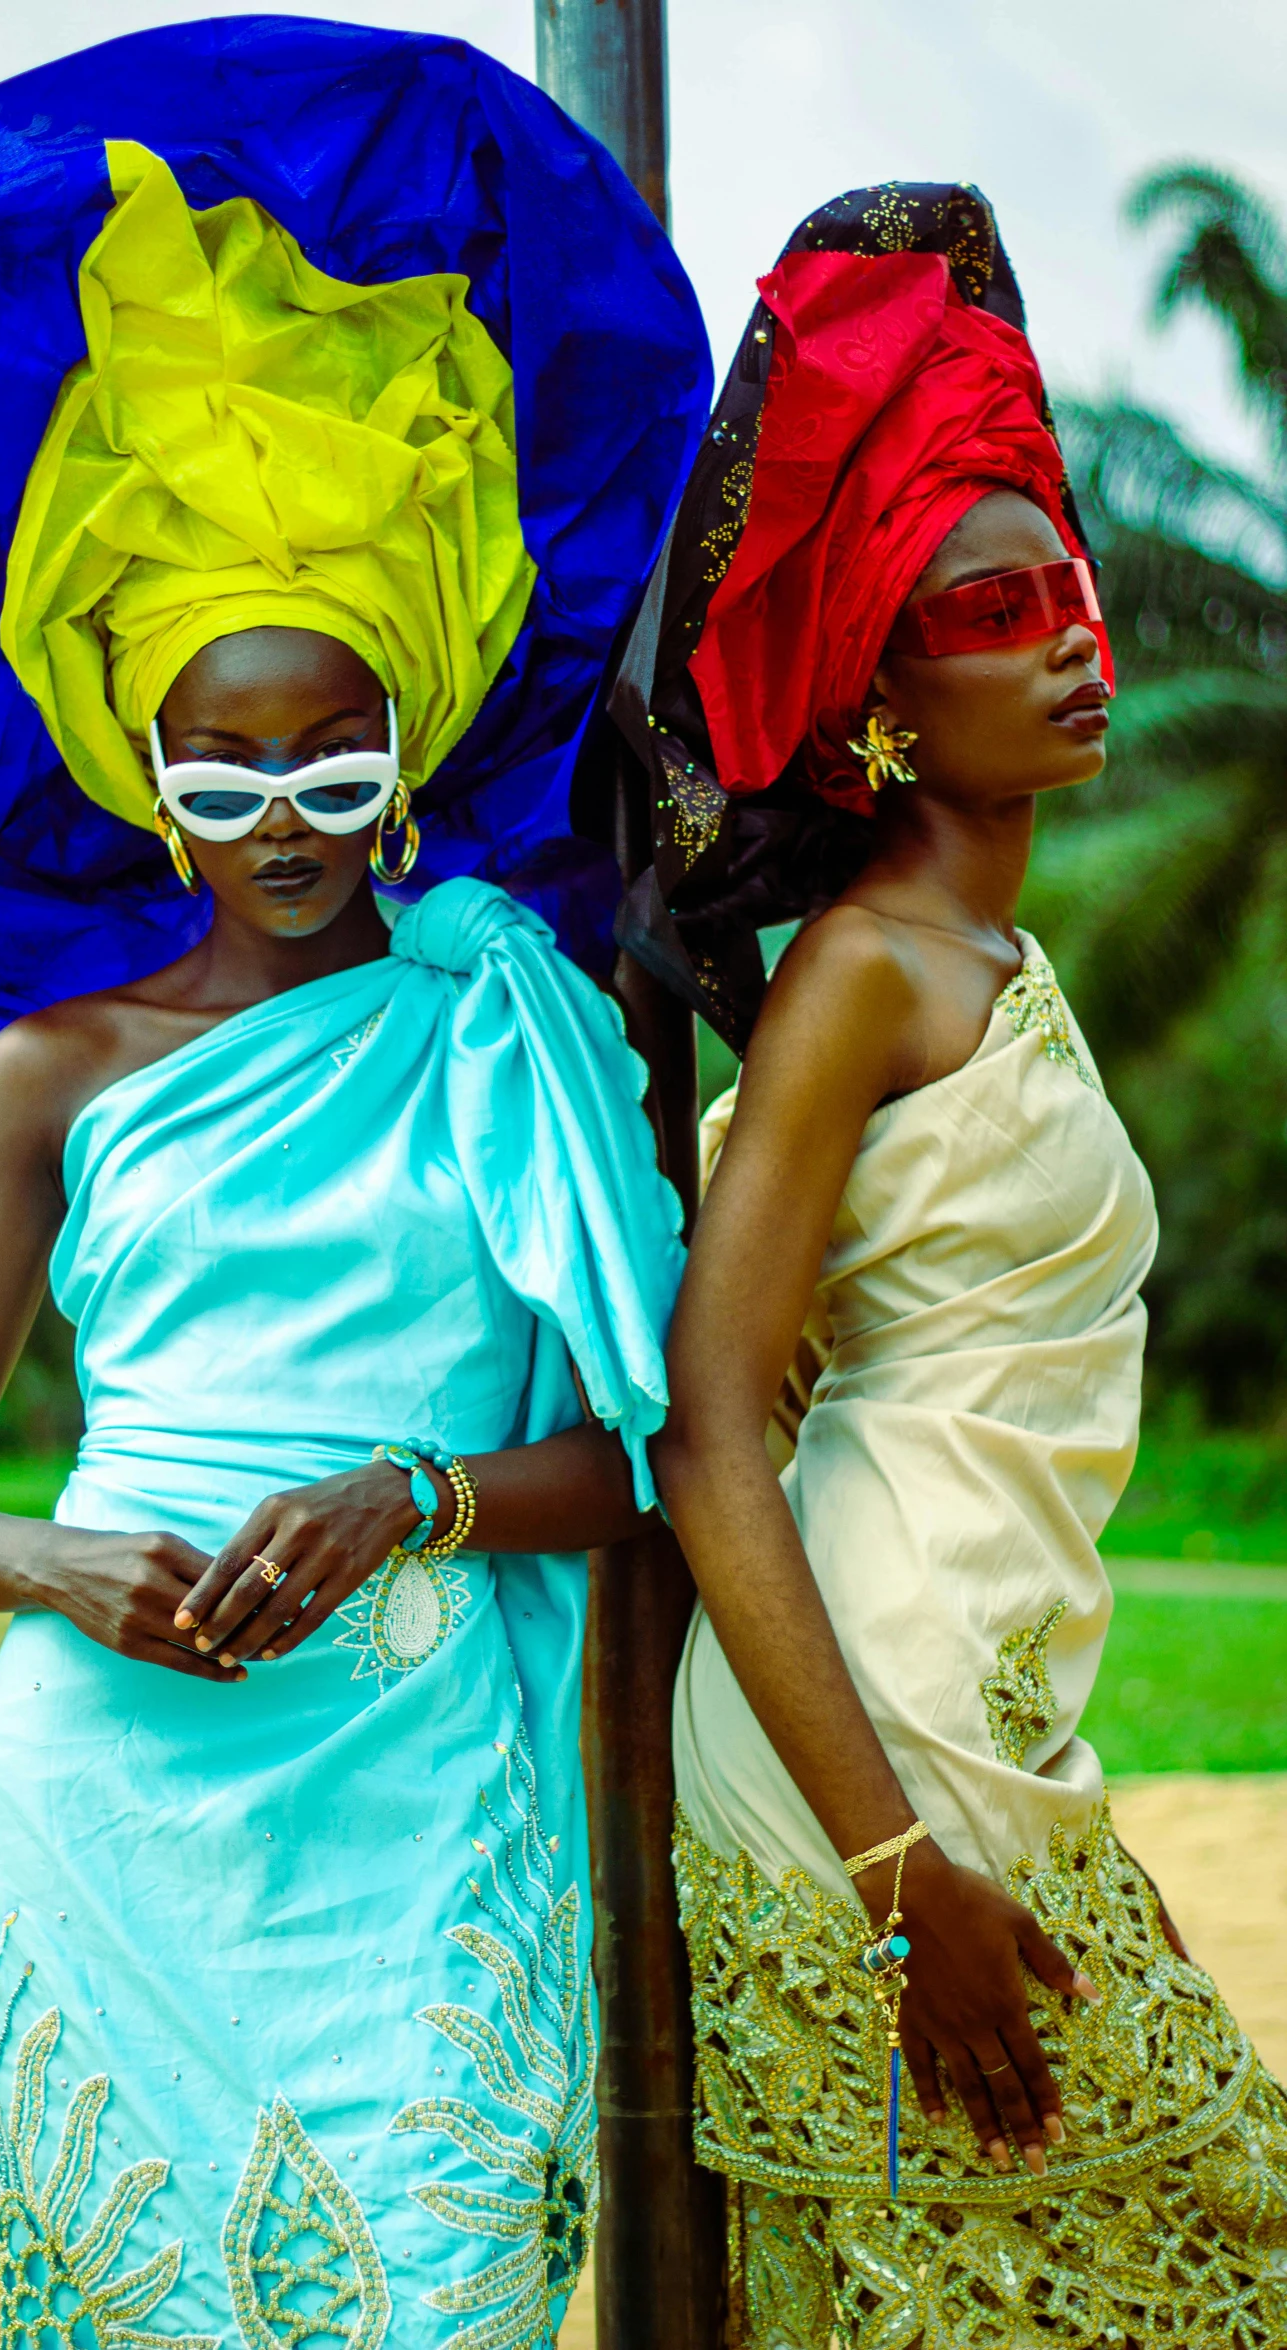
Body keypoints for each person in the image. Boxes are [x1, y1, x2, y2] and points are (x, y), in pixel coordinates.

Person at [0, 25, 712, 2345]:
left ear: (407, 758)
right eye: (225, 760)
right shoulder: (49, 1075)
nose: (282, 811)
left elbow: (650, 1453)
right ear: (141, 768)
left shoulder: (511, 1024)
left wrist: (415, 1496)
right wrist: (59, 1561)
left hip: (423, 1826)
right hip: (104, 1817)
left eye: (332, 750)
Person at [614, 187, 1287, 2347]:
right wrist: (899, 1875)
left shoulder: (988, 959)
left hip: (975, 1720)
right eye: (995, 608)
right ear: (885, 686)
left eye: (1067, 588)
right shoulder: (856, 978)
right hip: (861, 1764)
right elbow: (712, 1422)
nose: (1069, 635)